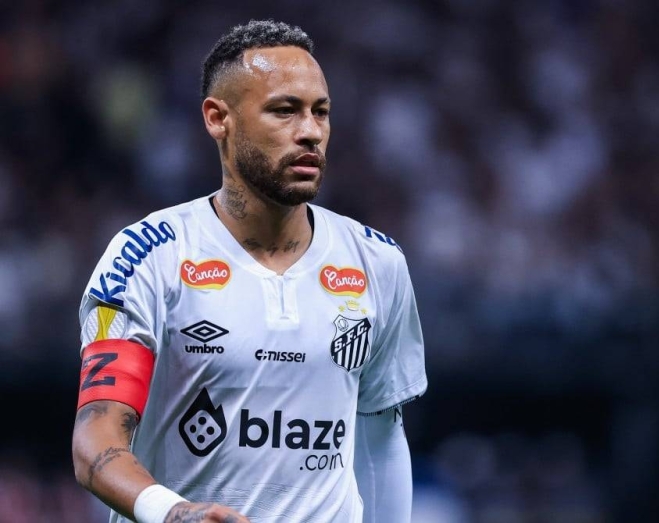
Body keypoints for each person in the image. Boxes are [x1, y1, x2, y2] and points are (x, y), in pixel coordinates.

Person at [71, 20, 427, 523]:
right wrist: (173, 513)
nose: (310, 131)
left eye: (320, 112)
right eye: (284, 110)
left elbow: (381, 441)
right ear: (219, 119)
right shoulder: (147, 257)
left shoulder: (377, 263)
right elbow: (96, 441)